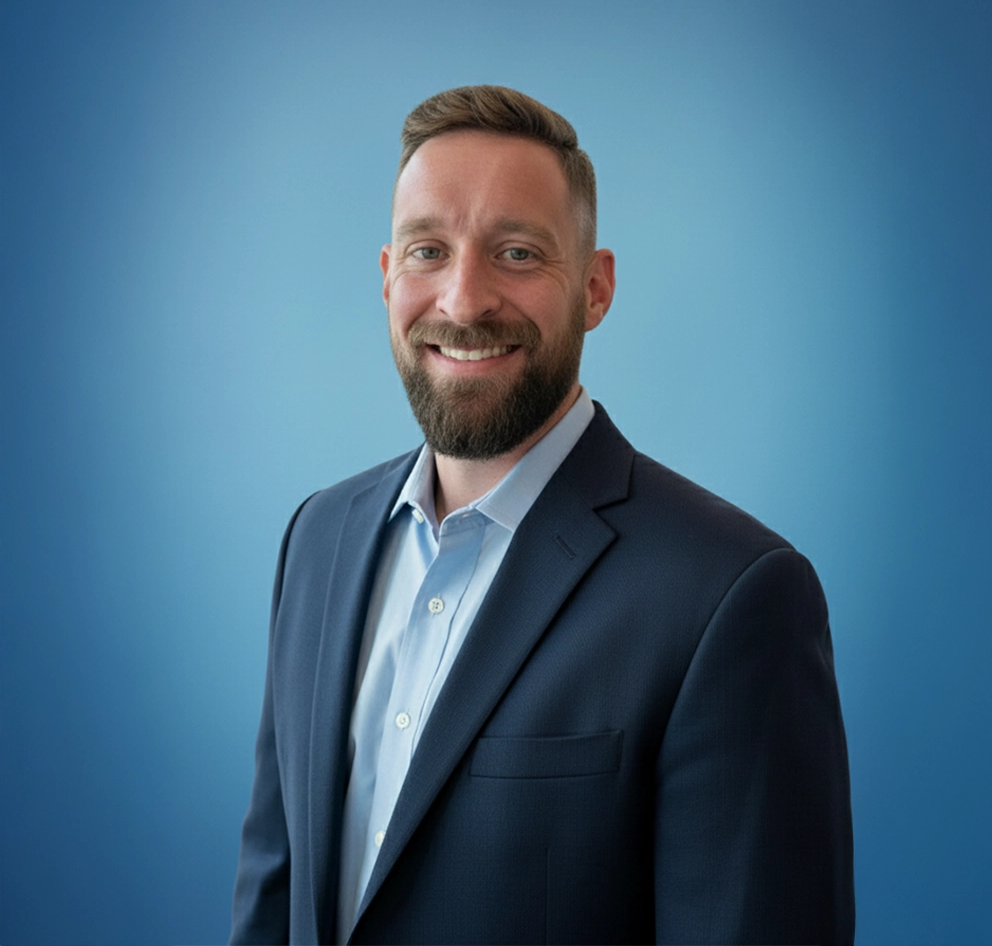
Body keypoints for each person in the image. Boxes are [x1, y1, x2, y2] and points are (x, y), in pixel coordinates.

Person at [229, 85, 855, 945]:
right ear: (386, 279)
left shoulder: (732, 598)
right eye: (427, 251)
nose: (462, 299)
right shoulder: (317, 540)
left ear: (595, 289)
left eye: (518, 253)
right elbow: (271, 904)